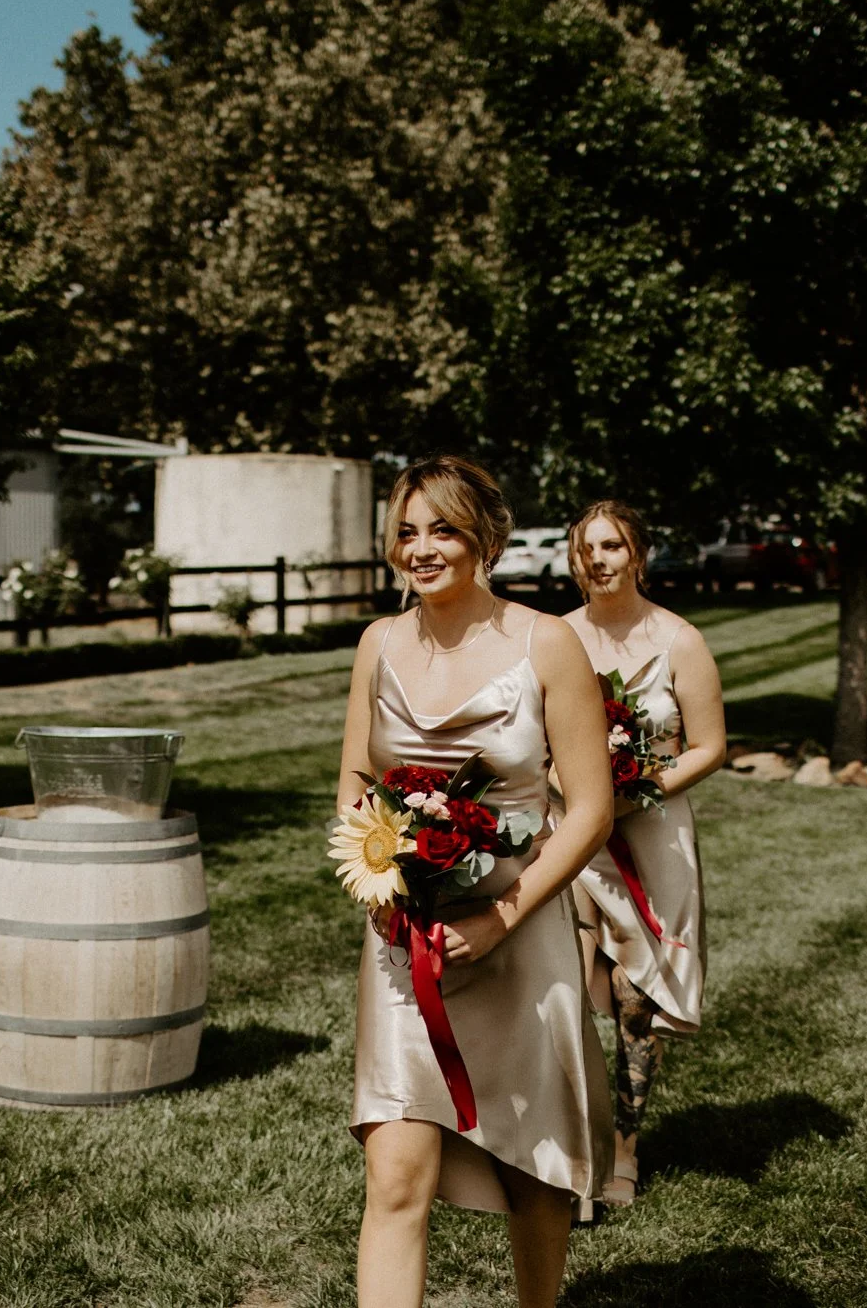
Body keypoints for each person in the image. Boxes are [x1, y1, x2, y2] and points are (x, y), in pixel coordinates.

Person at [340, 455, 615, 1308]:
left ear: (484, 538)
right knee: (394, 1173)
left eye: (442, 529)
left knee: (535, 1170)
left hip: (520, 940)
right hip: (405, 947)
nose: (421, 548)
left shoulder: (547, 642)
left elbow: (591, 810)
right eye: (406, 532)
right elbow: (355, 783)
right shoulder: (378, 643)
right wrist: (377, 874)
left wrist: (499, 919)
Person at [562, 501, 726, 1206]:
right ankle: (571, 1147)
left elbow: (710, 746)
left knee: (636, 999)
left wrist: (636, 790)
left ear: (638, 555)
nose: (596, 560)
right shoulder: (559, 638)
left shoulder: (679, 640)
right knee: (564, 987)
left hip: (651, 830)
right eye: (585, 548)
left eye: (611, 546)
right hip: (572, 833)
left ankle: (624, 1149)